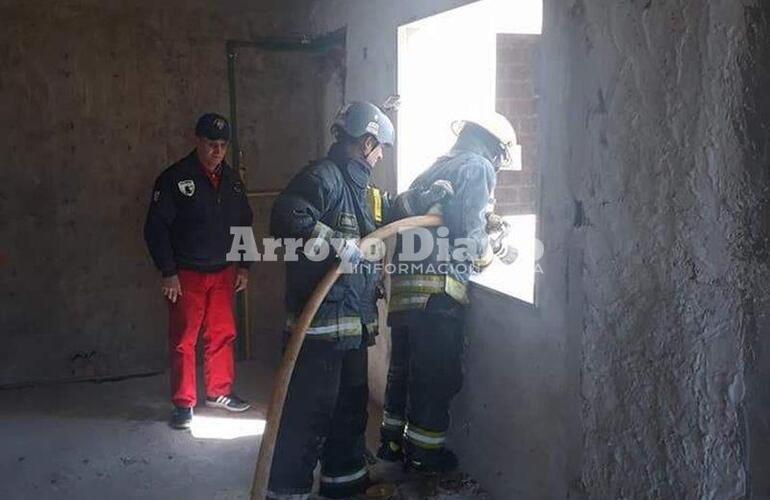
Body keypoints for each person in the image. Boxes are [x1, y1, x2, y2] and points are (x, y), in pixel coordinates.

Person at [266, 101, 400, 500]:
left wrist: (425, 196)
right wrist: (334, 242)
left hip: (354, 326)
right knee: (309, 415)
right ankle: (287, 491)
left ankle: (344, 483)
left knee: (350, 410)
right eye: (380, 149)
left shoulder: (363, 189)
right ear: (367, 141)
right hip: (320, 329)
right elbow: (286, 217)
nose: (379, 157)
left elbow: (390, 212)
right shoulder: (322, 176)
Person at [377, 113, 518, 473]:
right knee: (435, 377)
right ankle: (425, 457)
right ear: (496, 150)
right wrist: (488, 255)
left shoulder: (434, 168)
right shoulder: (476, 167)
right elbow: (467, 233)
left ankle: (392, 444)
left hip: (407, 295)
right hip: (438, 295)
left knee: (403, 373)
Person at [144, 113, 253, 430]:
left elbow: (244, 223)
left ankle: (219, 392)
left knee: (222, 334)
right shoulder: (175, 179)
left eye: (222, 145)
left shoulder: (232, 181)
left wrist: (244, 265)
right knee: (183, 339)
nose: (216, 151)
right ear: (197, 141)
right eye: (210, 144)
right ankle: (183, 403)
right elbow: (155, 229)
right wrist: (168, 271)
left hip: (223, 272)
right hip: (186, 274)